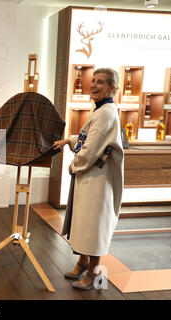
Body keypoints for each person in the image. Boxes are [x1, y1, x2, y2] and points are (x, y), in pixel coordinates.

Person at [53, 68, 124, 290]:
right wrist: (69, 141)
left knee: (93, 225)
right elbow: (88, 137)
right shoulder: (100, 109)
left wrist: (75, 164)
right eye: (93, 81)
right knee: (83, 221)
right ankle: (82, 262)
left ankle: (93, 273)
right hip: (91, 176)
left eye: (100, 82)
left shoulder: (106, 112)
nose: (93, 85)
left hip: (99, 180)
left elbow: (93, 147)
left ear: (112, 88)